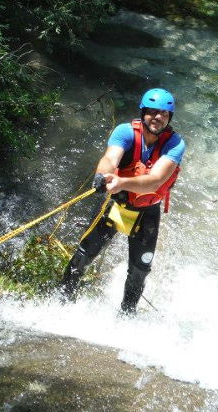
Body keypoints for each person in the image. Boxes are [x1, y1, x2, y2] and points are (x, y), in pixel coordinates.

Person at [59, 88, 186, 313]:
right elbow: (110, 157)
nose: (158, 117)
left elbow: (155, 181)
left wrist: (121, 182)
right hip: (116, 204)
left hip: (147, 213)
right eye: (153, 112)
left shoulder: (175, 144)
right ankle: (61, 301)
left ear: (170, 118)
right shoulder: (125, 132)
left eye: (164, 114)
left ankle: (126, 317)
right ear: (143, 112)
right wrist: (104, 175)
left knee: (140, 269)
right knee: (85, 253)